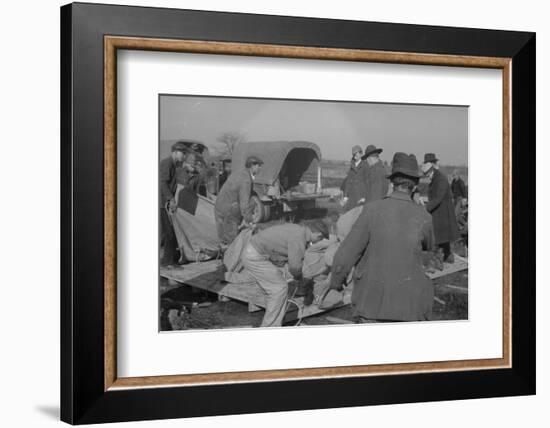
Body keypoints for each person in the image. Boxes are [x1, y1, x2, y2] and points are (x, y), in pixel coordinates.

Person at [329, 152, 435, 322]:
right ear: (415, 186)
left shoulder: (371, 210)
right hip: (410, 307)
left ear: (392, 182)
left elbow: (346, 254)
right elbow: (430, 248)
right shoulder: (424, 217)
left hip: (371, 305)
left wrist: (336, 282)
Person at [241, 220, 329, 327]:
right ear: (318, 234)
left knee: (274, 286)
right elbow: (295, 265)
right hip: (255, 257)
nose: (316, 242)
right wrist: (298, 277)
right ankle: (270, 327)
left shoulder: (297, 229)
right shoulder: (299, 236)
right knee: (280, 288)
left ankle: (273, 315)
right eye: (319, 239)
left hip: (253, 252)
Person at [214, 155, 263, 245]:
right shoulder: (246, 180)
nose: (260, 168)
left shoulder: (241, 173)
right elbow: (244, 205)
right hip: (228, 212)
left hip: (221, 209)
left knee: (225, 241)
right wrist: (250, 222)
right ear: (253, 166)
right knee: (232, 243)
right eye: (259, 166)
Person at [421, 153, 459, 263]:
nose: (427, 176)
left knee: (438, 236)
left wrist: (425, 208)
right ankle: (448, 257)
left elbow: (438, 198)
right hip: (439, 211)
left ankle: (438, 259)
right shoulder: (435, 178)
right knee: (443, 237)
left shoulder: (440, 178)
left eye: (428, 174)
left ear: (432, 169)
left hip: (443, 212)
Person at [159, 142, 186, 267]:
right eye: (182, 153)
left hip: (165, 202)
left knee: (169, 233)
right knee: (169, 233)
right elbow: (162, 183)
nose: (184, 156)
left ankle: (169, 260)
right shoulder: (167, 163)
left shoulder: (173, 165)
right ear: (175, 152)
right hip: (162, 203)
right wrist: (171, 199)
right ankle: (167, 263)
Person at [340, 145, 367, 212]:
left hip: (361, 197)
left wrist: (365, 197)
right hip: (352, 197)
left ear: (361, 154)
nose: (355, 155)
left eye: (356, 153)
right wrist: (345, 196)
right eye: (353, 153)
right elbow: (348, 182)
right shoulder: (352, 166)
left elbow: (367, 182)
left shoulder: (365, 166)